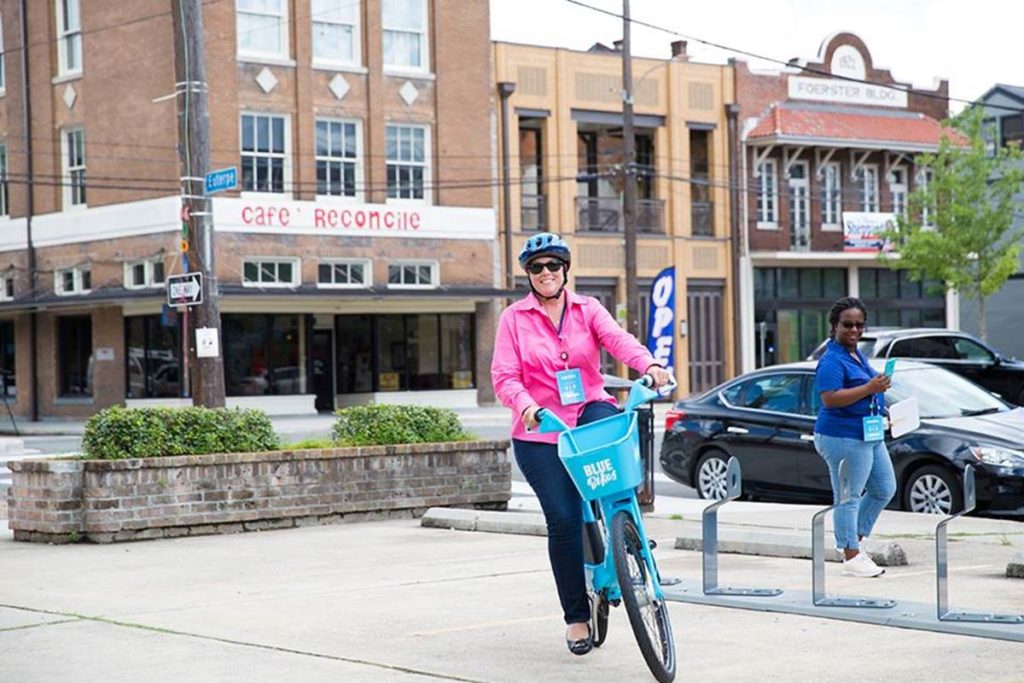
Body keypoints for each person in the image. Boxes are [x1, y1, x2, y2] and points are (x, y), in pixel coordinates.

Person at [491, 232, 671, 656]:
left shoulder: (588, 308)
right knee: (565, 521)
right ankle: (576, 616)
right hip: (541, 430)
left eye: (554, 265)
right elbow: (504, 377)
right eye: (537, 268)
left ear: (565, 269)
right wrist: (527, 406)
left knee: (618, 463)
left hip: (588, 411)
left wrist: (650, 365)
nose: (546, 273)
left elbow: (618, 341)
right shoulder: (513, 319)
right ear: (529, 275)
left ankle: (626, 534)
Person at [813, 296, 897, 578]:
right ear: (834, 325)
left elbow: (867, 390)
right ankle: (850, 554)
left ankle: (855, 543)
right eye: (847, 325)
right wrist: (870, 387)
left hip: (868, 431)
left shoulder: (856, 354)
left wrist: (881, 398)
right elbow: (831, 399)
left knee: (884, 488)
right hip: (842, 436)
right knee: (848, 496)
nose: (854, 330)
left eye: (859, 325)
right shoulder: (831, 360)